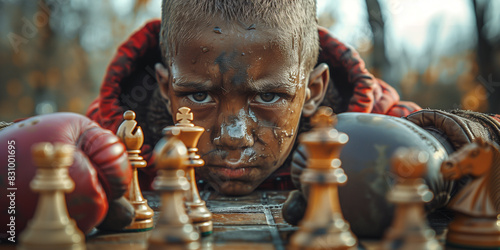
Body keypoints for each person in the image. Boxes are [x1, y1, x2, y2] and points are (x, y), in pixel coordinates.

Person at [2, 0, 500, 240]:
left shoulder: (373, 118)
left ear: (314, 91)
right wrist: (5, 169)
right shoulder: (109, 138)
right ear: (162, 86)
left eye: (268, 97)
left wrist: (435, 146)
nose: (232, 135)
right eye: (196, 95)